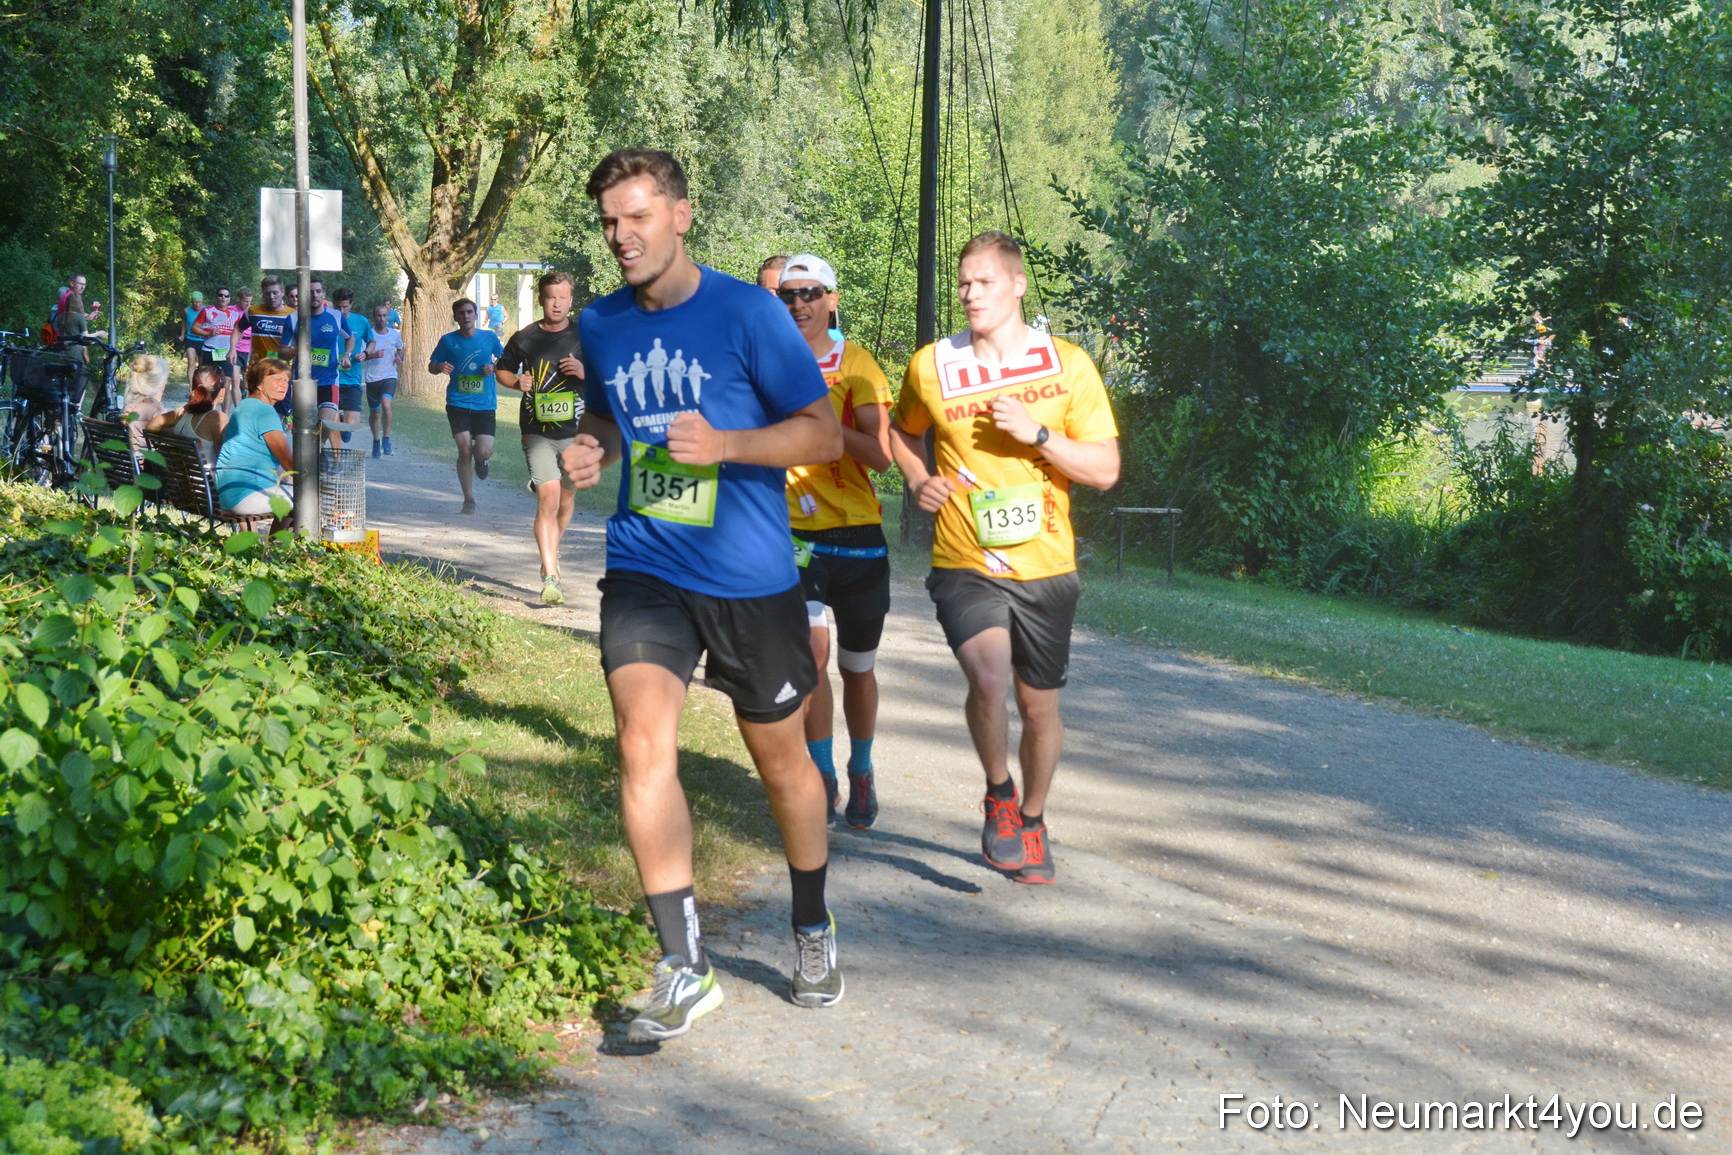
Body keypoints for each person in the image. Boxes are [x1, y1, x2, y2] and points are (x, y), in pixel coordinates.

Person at [558, 148, 845, 1040]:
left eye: (638, 216)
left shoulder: (749, 312)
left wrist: (726, 446)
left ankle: (810, 921)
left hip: (752, 578)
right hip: (647, 565)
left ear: (681, 214)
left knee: (785, 765)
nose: (622, 236)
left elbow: (824, 434)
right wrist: (594, 445)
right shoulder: (601, 325)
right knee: (644, 743)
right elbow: (608, 411)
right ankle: (684, 963)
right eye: (610, 221)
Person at [889, 230, 1121, 886]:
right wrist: (916, 478)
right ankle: (997, 792)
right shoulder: (931, 364)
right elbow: (902, 432)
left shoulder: (1066, 365)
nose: (969, 293)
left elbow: (1104, 468)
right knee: (989, 678)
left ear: (1017, 285)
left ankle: (1034, 815)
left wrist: (1040, 435)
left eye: (983, 282)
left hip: (1047, 564)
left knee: (1039, 706)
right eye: (963, 283)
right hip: (965, 554)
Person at [775, 253, 894, 830]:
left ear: (832, 299)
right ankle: (821, 774)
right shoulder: (766, 363)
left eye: (810, 293)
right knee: (813, 658)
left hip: (860, 537)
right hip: (796, 536)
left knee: (858, 667)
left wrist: (824, 422)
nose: (799, 304)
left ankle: (862, 767)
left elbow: (882, 456)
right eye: (789, 295)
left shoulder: (860, 365)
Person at [496, 271, 585, 605]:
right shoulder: (525, 337)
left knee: (565, 500)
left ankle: (552, 551)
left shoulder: (585, 336)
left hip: (577, 431)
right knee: (548, 497)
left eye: (563, 297)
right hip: (537, 430)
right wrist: (516, 382)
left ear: (571, 300)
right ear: (542, 299)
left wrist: (585, 372)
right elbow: (503, 369)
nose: (557, 303)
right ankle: (550, 575)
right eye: (551, 297)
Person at [428, 298, 502, 514]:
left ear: (476, 315)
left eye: (470, 312)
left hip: (485, 404)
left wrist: (493, 367)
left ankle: (482, 460)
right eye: (461, 313)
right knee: (464, 449)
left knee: (484, 450)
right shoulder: (448, 341)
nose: (466, 316)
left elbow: (505, 360)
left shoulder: (489, 337)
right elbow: (431, 366)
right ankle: (469, 499)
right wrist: (440, 366)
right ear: (456, 317)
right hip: (458, 403)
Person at [214, 357, 295, 529]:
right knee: (310, 498)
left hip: (228, 492)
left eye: (286, 380)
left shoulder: (245, 405)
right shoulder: (265, 411)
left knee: (296, 490)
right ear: (258, 383)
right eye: (276, 380)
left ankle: (272, 547)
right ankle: (275, 546)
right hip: (246, 495)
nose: (283, 385)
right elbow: (288, 462)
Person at [284, 278, 354, 447]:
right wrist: (295, 350)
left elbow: (349, 337)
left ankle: (318, 450)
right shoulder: (293, 319)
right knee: (302, 429)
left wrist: (347, 354)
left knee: (324, 423)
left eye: (317, 291)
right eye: (309, 291)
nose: (314, 294)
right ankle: (306, 461)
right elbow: (282, 352)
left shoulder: (335, 316)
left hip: (328, 380)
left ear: (323, 293)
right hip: (302, 383)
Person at [145, 363, 229, 464]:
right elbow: (225, 458)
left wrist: (180, 439)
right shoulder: (217, 418)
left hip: (178, 477)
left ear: (193, 389)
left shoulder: (182, 411)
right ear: (222, 392)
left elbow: (151, 426)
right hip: (206, 478)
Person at [333, 288, 374, 443]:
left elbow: (372, 341)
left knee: (352, 423)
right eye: (338, 307)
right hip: (331, 378)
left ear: (351, 304)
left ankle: (344, 419)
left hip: (352, 378)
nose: (342, 311)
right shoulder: (327, 319)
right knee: (329, 422)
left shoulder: (361, 321)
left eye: (345, 307)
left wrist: (366, 353)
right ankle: (332, 455)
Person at [364, 302, 404, 457]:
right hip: (372, 378)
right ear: (374, 317)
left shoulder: (394, 334)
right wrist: (372, 355)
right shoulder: (369, 334)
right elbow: (360, 355)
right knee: (375, 413)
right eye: (379, 316)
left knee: (386, 405)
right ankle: (376, 441)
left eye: (384, 315)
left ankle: (386, 438)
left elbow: (400, 349)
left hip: (389, 375)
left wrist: (399, 357)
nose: (382, 318)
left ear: (388, 316)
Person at [194, 288, 243, 390]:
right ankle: (208, 405)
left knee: (226, 382)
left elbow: (239, 332)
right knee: (206, 381)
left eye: (226, 296)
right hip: (209, 350)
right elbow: (194, 328)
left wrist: (233, 345)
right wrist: (208, 333)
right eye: (220, 295)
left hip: (226, 352)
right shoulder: (207, 311)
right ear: (216, 297)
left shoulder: (235, 314)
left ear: (229, 299)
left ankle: (225, 407)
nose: (223, 298)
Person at [120, 355, 169, 454]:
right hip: (148, 465)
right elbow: (167, 447)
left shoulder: (129, 405)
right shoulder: (157, 411)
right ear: (162, 384)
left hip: (127, 464)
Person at [181, 290, 205, 384]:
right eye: (195, 302)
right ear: (192, 302)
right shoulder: (187, 310)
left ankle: (200, 385)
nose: (197, 304)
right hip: (190, 338)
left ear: (202, 302)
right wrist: (182, 334)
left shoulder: (206, 310)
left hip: (203, 339)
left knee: (202, 365)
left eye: (199, 302)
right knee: (191, 362)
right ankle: (191, 388)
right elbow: (184, 322)